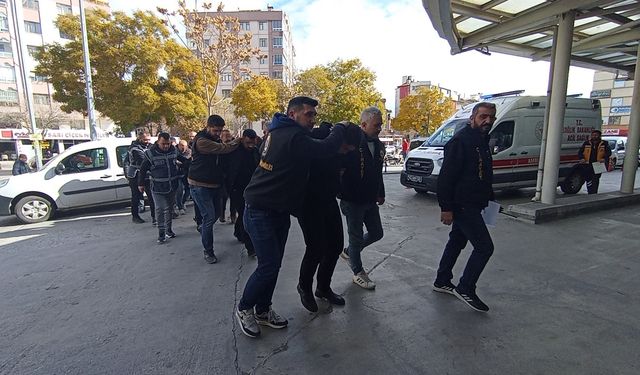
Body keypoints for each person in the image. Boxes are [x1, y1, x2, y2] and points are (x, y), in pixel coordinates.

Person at [236, 96, 346, 339]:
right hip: (260, 209)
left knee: (273, 265)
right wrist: (340, 127)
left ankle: (263, 310)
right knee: (269, 265)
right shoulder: (291, 136)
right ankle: (245, 308)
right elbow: (326, 148)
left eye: (314, 115)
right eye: (309, 114)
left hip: (277, 209)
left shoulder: (280, 131)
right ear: (293, 113)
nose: (312, 119)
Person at [433, 102, 497, 313]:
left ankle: (442, 280)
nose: (487, 121)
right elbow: (446, 178)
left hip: (475, 203)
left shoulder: (482, 140)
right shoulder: (460, 141)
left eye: (491, 117)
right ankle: (466, 287)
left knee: (457, 241)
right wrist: (446, 207)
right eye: (483, 117)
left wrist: (491, 199)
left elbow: (483, 174)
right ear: (473, 118)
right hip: (462, 205)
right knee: (485, 247)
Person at [296, 122, 361, 312]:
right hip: (307, 202)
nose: (345, 152)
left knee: (335, 246)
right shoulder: (317, 139)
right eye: (344, 147)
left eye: (350, 150)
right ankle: (304, 287)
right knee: (315, 247)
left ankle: (323, 287)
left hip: (328, 199)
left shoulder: (347, 150)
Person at [339, 107, 386, 290]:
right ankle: (358, 272)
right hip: (352, 199)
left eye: (381, 124)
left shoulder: (379, 145)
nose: (379, 128)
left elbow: (378, 173)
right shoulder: (352, 143)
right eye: (377, 125)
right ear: (364, 124)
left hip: (370, 199)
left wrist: (380, 192)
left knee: (377, 233)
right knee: (356, 237)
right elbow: (340, 170)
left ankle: (350, 252)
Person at [188, 115, 240, 264]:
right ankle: (208, 251)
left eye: (220, 130)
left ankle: (202, 226)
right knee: (209, 217)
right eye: (215, 130)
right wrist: (237, 141)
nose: (218, 133)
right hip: (200, 185)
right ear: (208, 126)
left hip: (215, 184)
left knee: (215, 215)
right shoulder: (202, 141)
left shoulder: (213, 138)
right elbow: (223, 149)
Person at [138, 133, 189, 244]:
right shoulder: (150, 153)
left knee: (170, 209)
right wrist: (140, 184)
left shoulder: (174, 151)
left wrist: (183, 166)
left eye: (168, 144)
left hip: (172, 185)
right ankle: (161, 233)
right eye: (163, 144)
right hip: (157, 187)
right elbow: (143, 169)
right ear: (158, 142)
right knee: (160, 209)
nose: (166, 146)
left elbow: (184, 160)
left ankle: (169, 230)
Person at [226, 129, 260, 257]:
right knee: (245, 215)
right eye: (248, 143)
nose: (250, 145)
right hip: (237, 188)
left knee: (244, 214)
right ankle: (250, 247)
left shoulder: (255, 151)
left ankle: (238, 233)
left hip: (251, 188)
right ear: (243, 138)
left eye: (252, 143)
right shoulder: (234, 151)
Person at [124, 130, 155, 224]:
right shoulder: (135, 149)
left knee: (151, 195)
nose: (148, 141)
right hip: (135, 175)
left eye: (149, 139)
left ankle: (154, 216)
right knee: (136, 196)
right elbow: (143, 161)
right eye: (145, 140)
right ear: (139, 139)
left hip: (147, 175)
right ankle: (135, 216)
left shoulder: (150, 146)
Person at [578, 129, 611, 195]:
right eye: (593, 135)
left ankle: (594, 192)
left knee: (596, 179)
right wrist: (582, 158)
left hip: (598, 164)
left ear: (599, 136)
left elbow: (608, 152)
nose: (594, 136)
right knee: (588, 178)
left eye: (596, 135)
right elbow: (580, 152)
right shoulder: (587, 143)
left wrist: (604, 158)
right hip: (588, 164)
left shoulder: (604, 143)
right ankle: (589, 191)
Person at [219, 129, 234, 223]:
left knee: (233, 195)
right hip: (222, 175)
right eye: (225, 136)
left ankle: (233, 214)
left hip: (232, 174)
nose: (227, 137)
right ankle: (222, 214)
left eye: (228, 136)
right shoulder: (219, 146)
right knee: (223, 196)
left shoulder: (233, 146)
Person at [175, 140, 191, 215]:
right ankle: (179, 206)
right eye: (181, 146)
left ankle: (182, 202)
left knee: (188, 189)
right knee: (179, 190)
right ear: (178, 145)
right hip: (177, 174)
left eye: (185, 146)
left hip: (186, 173)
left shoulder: (189, 151)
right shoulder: (175, 151)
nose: (183, 148)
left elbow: (186, 161)